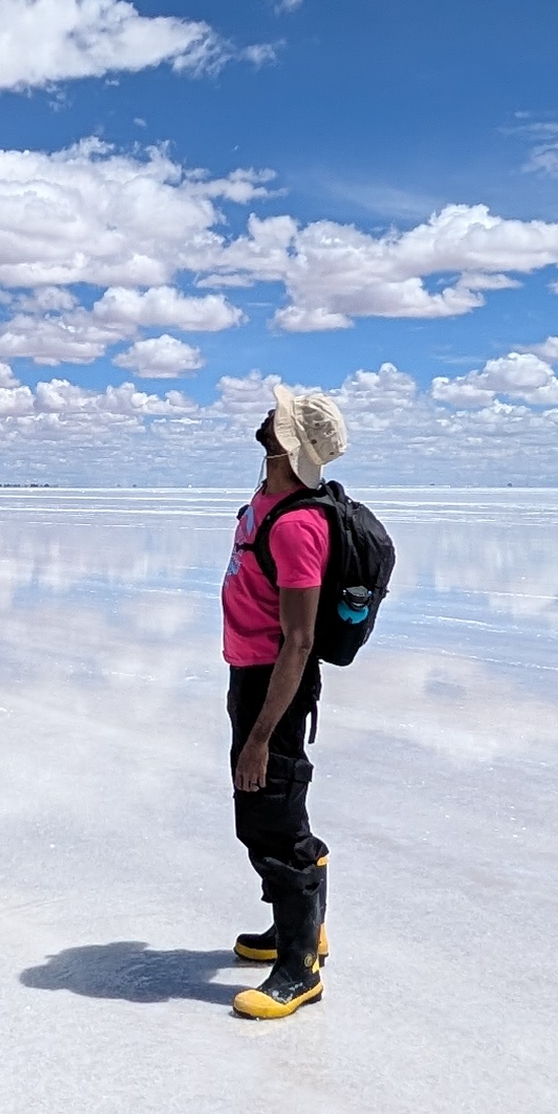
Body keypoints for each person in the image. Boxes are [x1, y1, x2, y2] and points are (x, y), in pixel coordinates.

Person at [223, 383, 348, 1019]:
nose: (269, 417)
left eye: (280, 417)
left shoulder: (299, 524)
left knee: (270, 818)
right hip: (251, 672)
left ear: (287, 444)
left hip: (277, 682)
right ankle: (300, 924)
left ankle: (300, 967)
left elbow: (299, 642)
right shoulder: (268, 498)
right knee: (265, 812)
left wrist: (261, 737)